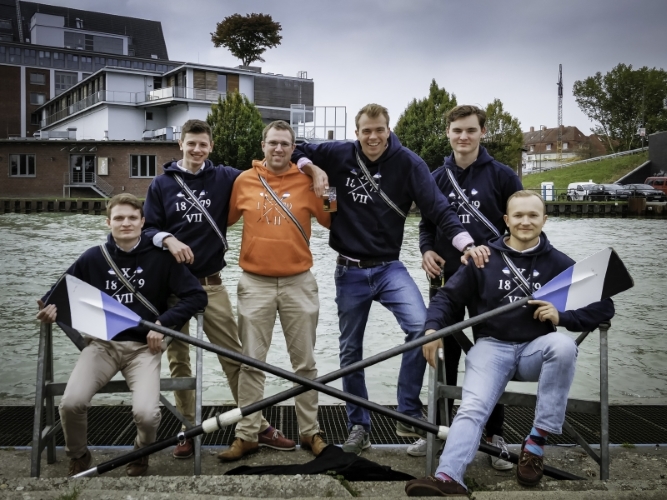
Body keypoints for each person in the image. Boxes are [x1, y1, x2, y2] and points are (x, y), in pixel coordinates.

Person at [292, 103, 489, 455]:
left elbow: (438, 209)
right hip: (348, 269)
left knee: (422, 328)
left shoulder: (409, 163)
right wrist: (314, 168)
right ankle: (359, 426)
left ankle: (407, 411)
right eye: (366, 131)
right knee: (350, 349)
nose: (373, 137)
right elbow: (296, 148)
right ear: (357, 133)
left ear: (389, 129)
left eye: (379, 130)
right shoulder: (339, 153)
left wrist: (467, 244)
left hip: (389, 267)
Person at [405, 191, 615, 496]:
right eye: (518, 215)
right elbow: (447, 298)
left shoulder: (558, 262)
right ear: (506, 220)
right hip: (491, 348)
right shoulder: (483, 258)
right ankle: (449, 477)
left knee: (564, 346)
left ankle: (536, 443)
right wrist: (432, 328)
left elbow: (604, 306)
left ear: (544, 220)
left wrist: (563, 316)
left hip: (536, 350)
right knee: (473, 407)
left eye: (533, 215)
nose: (525, 221)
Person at [143, 119, 293, 458]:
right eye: (191, 143)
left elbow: (267, 168)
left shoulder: (226, 177)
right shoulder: (161, 184)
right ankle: (188, 428)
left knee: (235, 357)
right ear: (180, 144)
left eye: (203, 144)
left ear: (211, 147)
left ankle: (257, 426)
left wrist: (311, 166)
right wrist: (168, 239)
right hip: (171, 290)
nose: (197, 150)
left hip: (211, 284)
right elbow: (147, 228)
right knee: (179, 362)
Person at [36, 194, 207, 477]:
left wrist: (162, 324)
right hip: (102, 345)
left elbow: (197, 297)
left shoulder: (163, 259)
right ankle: (78, 455)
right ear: (108, 222)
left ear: (142, 222)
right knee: (71, 403)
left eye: (131, 218)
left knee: (147, 415)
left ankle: (140, 452)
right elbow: (54, 297)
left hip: (144, 349)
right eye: (118, 218)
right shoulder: (93, 257)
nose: (125, 223)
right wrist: (49, 311)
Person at [414, 105, 523, 464]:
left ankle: (495, 435)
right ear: (448, 132)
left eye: (471, 130)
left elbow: (517, 227)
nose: (464, 137)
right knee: (443, 356)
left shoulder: (503, 175)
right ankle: (441, 430)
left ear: (482, 133)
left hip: (491, 280)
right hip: (446, 278)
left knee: (492, 356)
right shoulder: (435, 177)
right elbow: (427, 224)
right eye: (457, 130)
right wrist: (427, 250)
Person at [217, 120, 330, 461]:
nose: (278, 148)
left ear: (294, 148)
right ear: (263, 145)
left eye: (285, 143)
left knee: (305, 363)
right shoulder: (243, 181)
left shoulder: (307, 181)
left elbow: (331, 218)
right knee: (251, 362)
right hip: (255, 282)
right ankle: (248, 434)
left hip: (299, 282)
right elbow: (222, 221)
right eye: (273, 143)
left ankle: (310, 432)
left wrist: (327, 183)